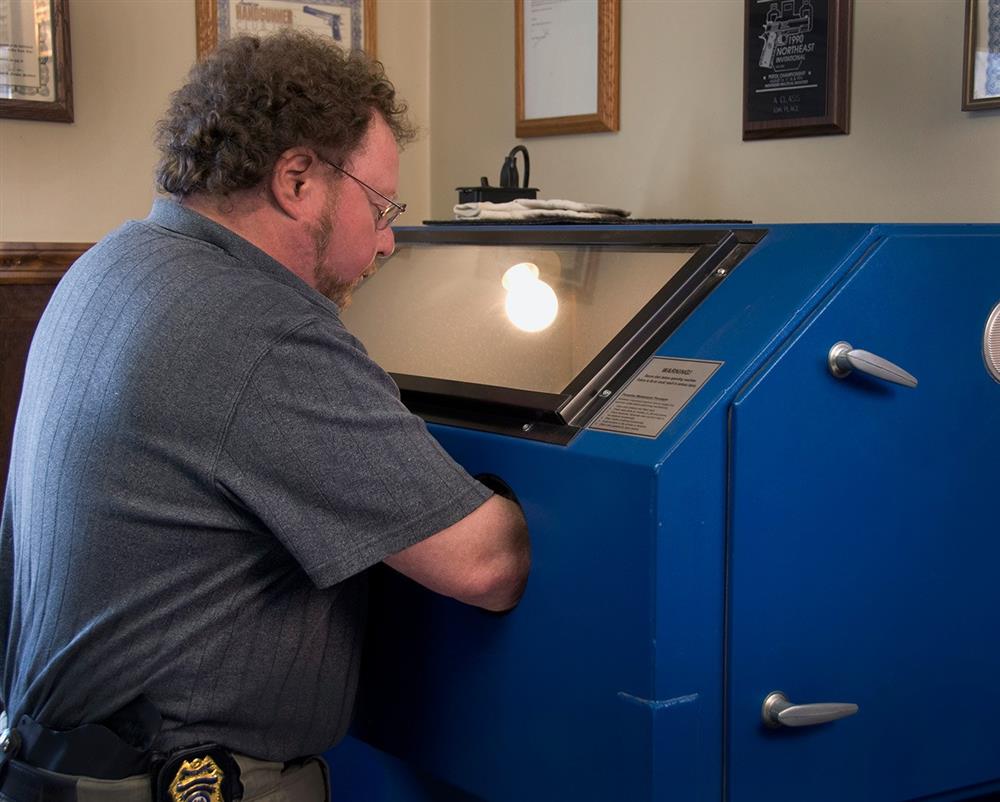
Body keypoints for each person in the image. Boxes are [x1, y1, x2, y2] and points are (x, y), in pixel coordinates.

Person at [0, 29, 530, 802]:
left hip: (53, 765)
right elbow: (487, 565)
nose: (386, 243)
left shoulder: (114, 264)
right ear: (297, 180)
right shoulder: (256, 325)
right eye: (381, 206)